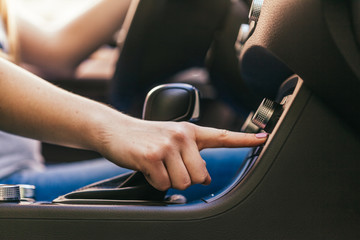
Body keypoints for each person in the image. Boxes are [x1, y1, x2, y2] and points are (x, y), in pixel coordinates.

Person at [0, 0, 267, 202]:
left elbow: (56, 49)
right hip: (10, 184)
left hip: (26, 173)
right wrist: (113, 127)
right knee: (260, 165)